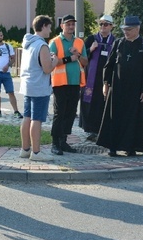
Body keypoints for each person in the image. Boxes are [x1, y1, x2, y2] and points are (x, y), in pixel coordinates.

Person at [97, 15, 143, 157]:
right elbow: (109, 65)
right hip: (117, 88)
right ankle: (112, 147)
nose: (126, 32)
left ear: (137, 29)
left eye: (129, 29)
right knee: (114, 117)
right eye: (124, 29)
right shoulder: (119, 43)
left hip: (136, 90)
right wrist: (105, 83)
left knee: (133, 119)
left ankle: (131, 147)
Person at [19, 15, 58, 162]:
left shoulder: (28, 43)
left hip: (28, 84)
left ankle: (25, 149)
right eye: (49, 26)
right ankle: (36, 152)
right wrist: (55, 61)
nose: (50, 30)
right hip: (39, 86)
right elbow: (47, 69)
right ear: (43, 26)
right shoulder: (42, 45)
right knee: (37, 119)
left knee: (27, 117)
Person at [49, 15, 87, 155]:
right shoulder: (55, 42)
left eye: (73, 24)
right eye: (68, 24)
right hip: (59, 83)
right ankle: (55, 143)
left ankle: (63, 141)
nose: (71, 27)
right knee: (59, 113)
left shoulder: (79, 42)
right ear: (62, 26)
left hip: (75, 82)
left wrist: (77, 53)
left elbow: (85, 62)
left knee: (70, 113)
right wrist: (69, 58)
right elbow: (51, 61)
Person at [80, 14, 115, 142]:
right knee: (91, 103)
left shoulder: (115, 41)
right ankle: (92, 130)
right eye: (100, 24)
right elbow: (82, 57)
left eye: (105, 24)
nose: (102, 27)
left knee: (104, 103)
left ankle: (103, 129)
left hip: (107, 78)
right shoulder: (91, 39)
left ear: (111, 26)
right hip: (91, 78)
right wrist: (91, 49)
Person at [0, 30, 22, 119]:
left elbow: (13, 58)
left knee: (11, 92)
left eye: (1, 35)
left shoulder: (7, 46)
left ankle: (16, 111)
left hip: (6, 73)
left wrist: (8, 65)